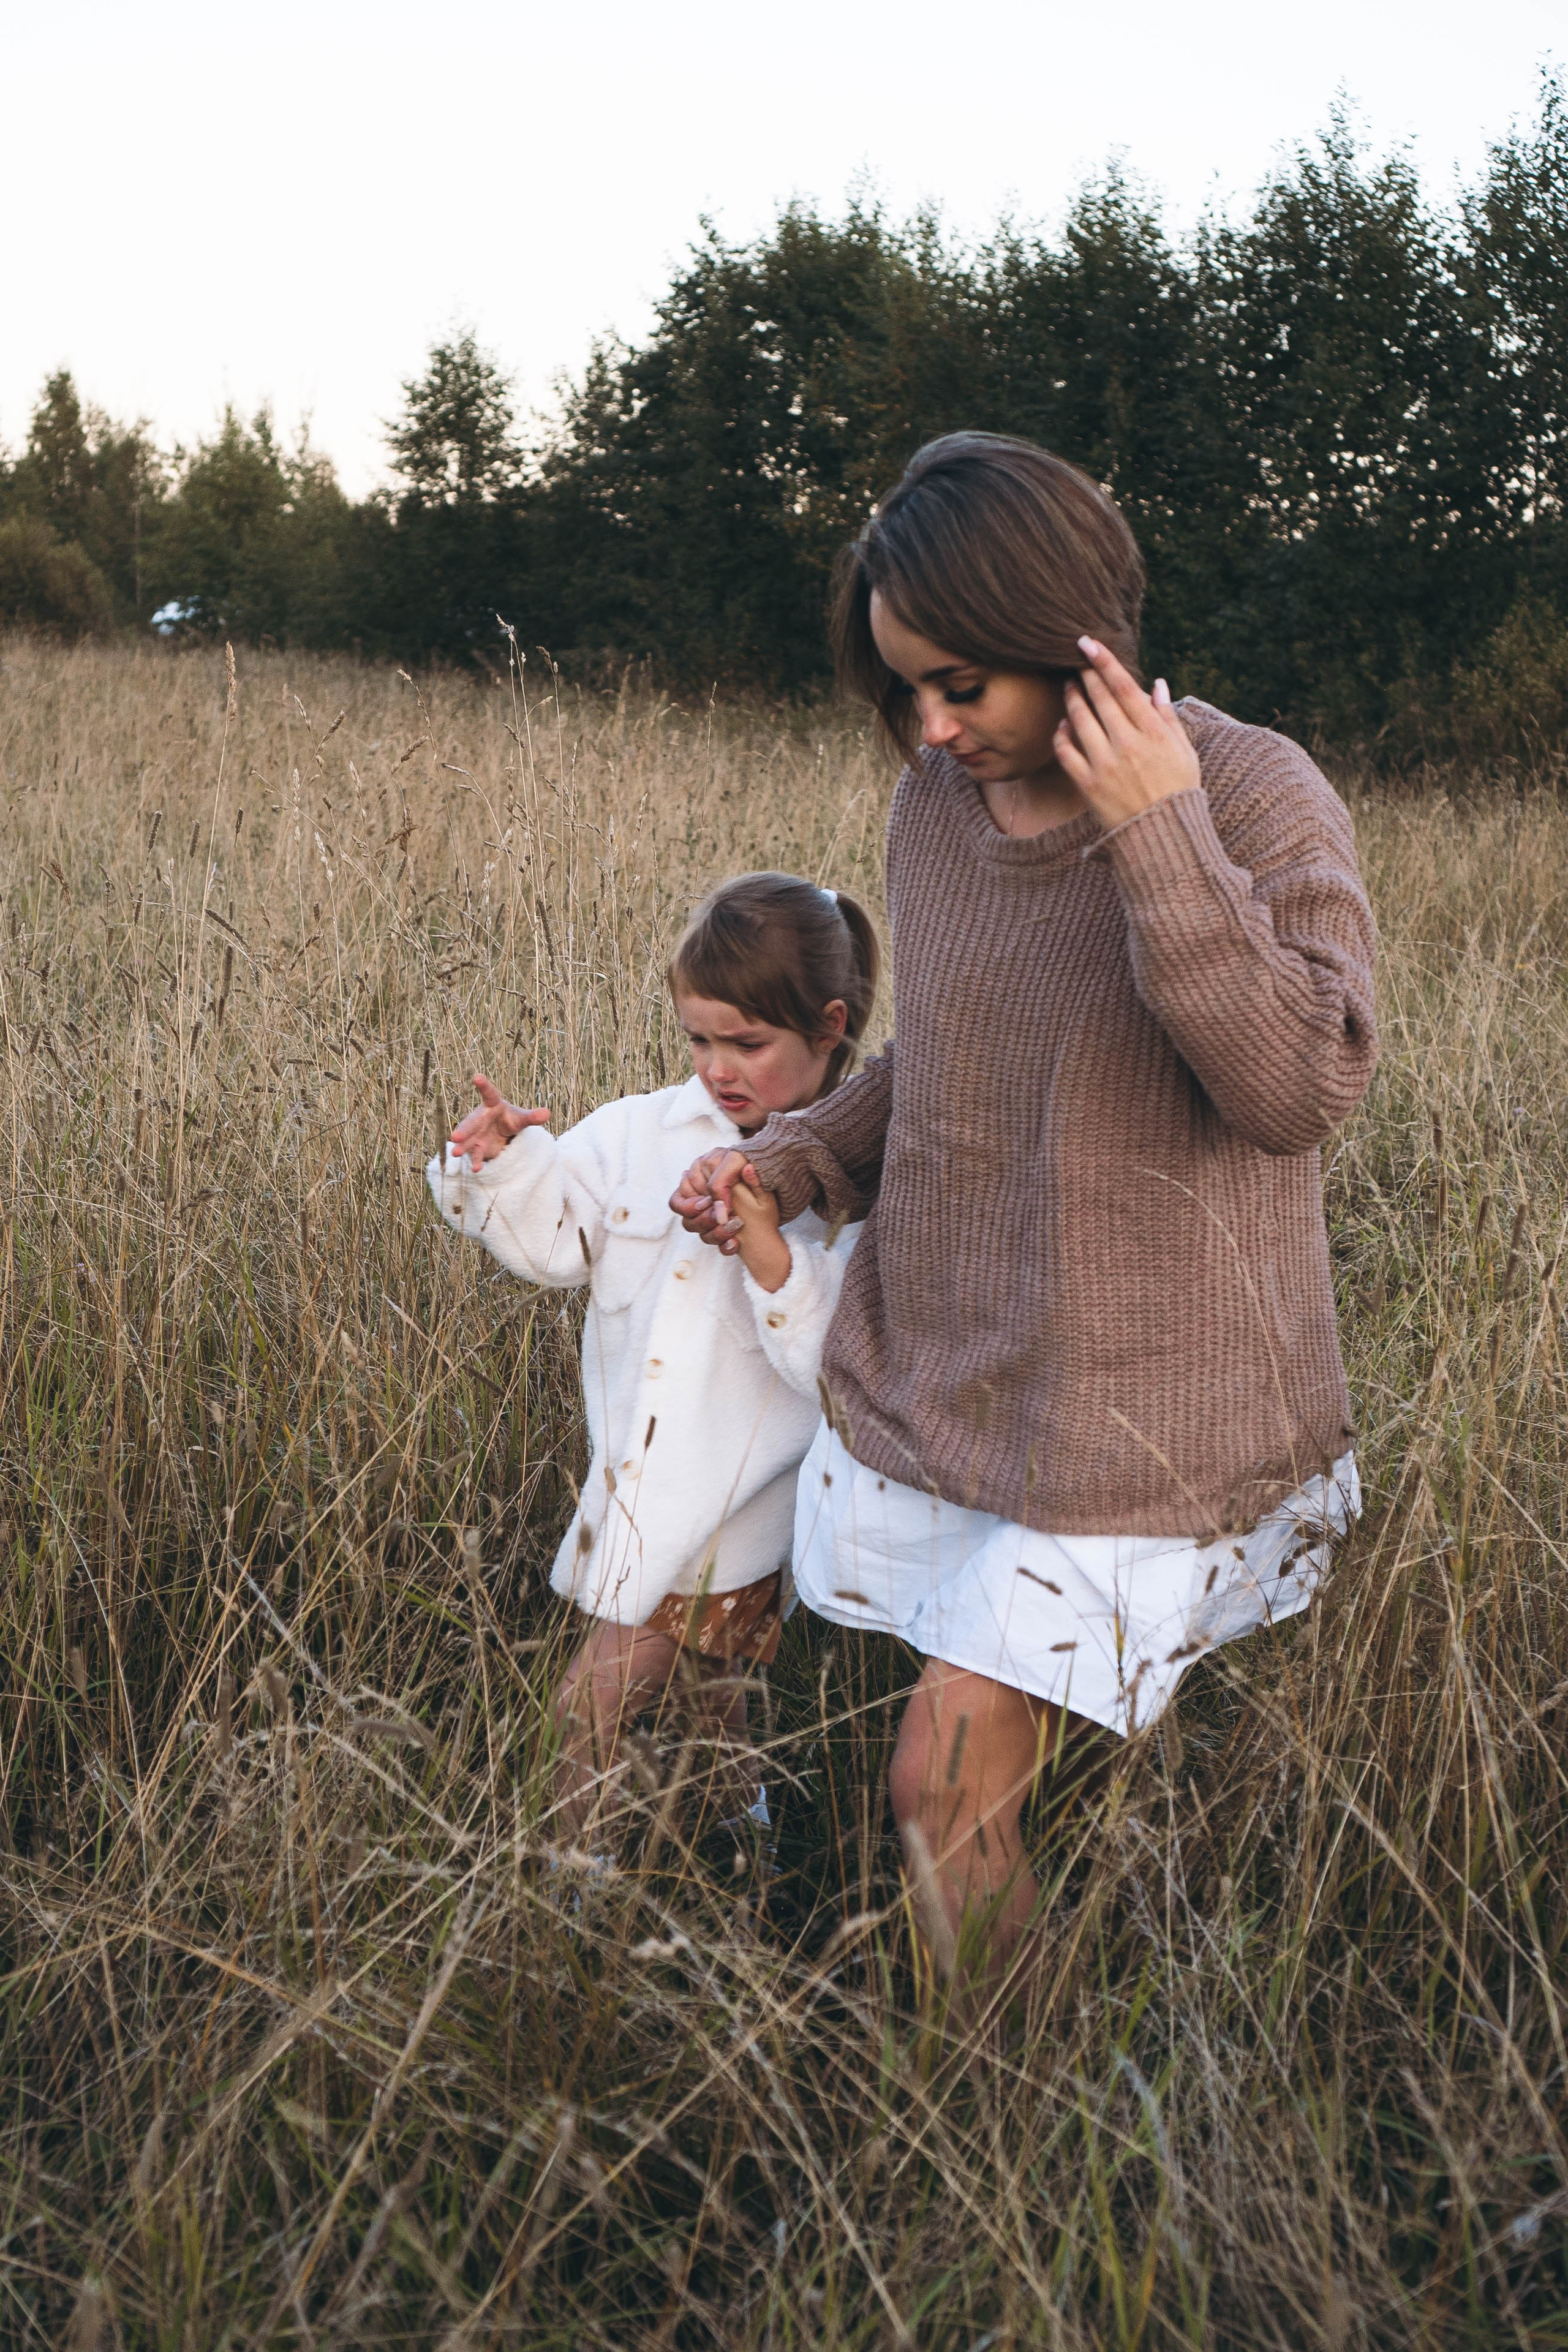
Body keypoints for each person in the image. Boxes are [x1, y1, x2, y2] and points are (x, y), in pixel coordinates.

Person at [672, 432, 1378, 1983]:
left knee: (940, 1785)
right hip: (965, 1368)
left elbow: (1298, 1088)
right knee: (936, 1781)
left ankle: (986, 2145)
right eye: (900, 688)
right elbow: (947, 1052)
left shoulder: (1253, 791)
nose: (926, 729)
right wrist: (789, 1156)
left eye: (959, 686)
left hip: (1144, 1418)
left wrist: (1157, 831)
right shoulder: (933, 812)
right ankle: (1005, 2101)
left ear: (1077, 641)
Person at [428, 872, 878, 1838]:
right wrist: (502, 1163)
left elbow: (836, 1369)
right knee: (715, 1725)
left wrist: (765, 1245)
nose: (720, 1067)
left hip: (743, 1524)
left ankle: (567, 1891)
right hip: (636, 1500)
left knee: (592, 1709)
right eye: (700, 1038)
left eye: (749, 1044)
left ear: (830, 1026)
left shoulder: (853, 1185)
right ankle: (730, 1876)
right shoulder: (640, 1132)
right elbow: (558, 1246)